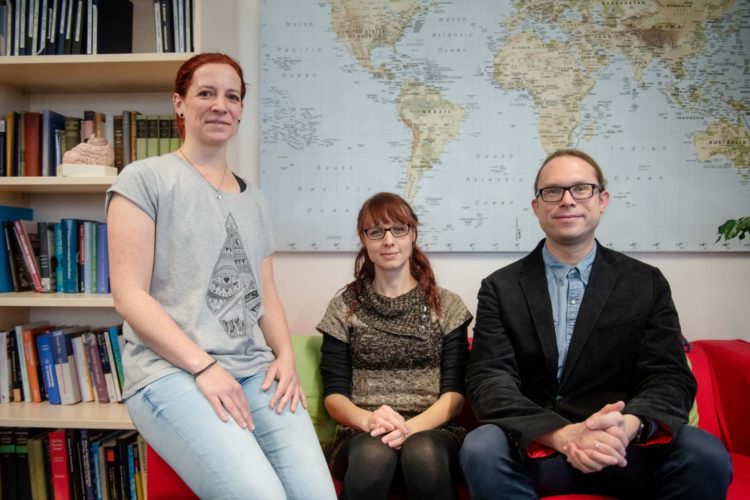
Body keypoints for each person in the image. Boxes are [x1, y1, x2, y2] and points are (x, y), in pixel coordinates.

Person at [106, 52, 336, 499]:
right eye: (206, 93)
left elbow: (264, 294)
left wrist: (285, 357)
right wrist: (204, 366)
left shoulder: (255, 200)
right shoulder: (144, 179)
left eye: (232, 96)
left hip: (253, 371)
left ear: (242, 109)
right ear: (179, 103)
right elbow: (129, 297)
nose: (220, 105)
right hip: (171, 372)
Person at [460, 149, 732, 499]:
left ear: (602, 200)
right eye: (553, 191)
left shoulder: (646, 283)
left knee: (704, 452)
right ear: (536, 207)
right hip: (540, 451)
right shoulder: (501, 287)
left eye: (581, 189)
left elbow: (670, 375)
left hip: (625, 450)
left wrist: (627, 427)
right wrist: (561, 435)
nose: (567, 200)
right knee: (481, 446)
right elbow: (489, 380)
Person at [317, 192, 473, 500]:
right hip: (363, 433)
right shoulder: (343, 308)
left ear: (413, 234)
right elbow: (334, 396)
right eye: (376, 231)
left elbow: (455, 395)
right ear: (364, 239)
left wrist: (408, 428)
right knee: (373, 454)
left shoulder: (448, 306)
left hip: (436, 432)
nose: (388, 241)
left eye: (398, 229)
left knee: (422, 452)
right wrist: (369, 420)